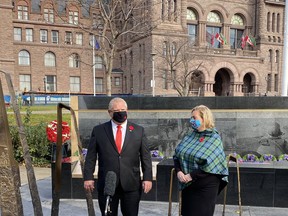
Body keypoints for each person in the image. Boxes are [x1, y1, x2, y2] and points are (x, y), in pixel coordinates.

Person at [84, 97, 152, 216]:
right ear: (109, 112)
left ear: (127, 110)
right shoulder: (99, 130)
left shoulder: (138, 131)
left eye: (122, 109)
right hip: (108, 183)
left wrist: (147, 178)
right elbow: (91, 156)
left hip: (131, 183)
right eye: (116, 110)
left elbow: (146, 157)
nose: (120, 112)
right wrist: (88, 177)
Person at [173, 105, 228, 216]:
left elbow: (211, 165)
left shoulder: (214, 138)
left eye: (194, 117)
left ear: (204, 119)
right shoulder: (190, 135)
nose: (191, 120)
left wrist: (191, 175)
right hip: (188, 185)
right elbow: (177, 155)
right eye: (191, 117)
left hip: (205, 186)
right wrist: (179, 171)